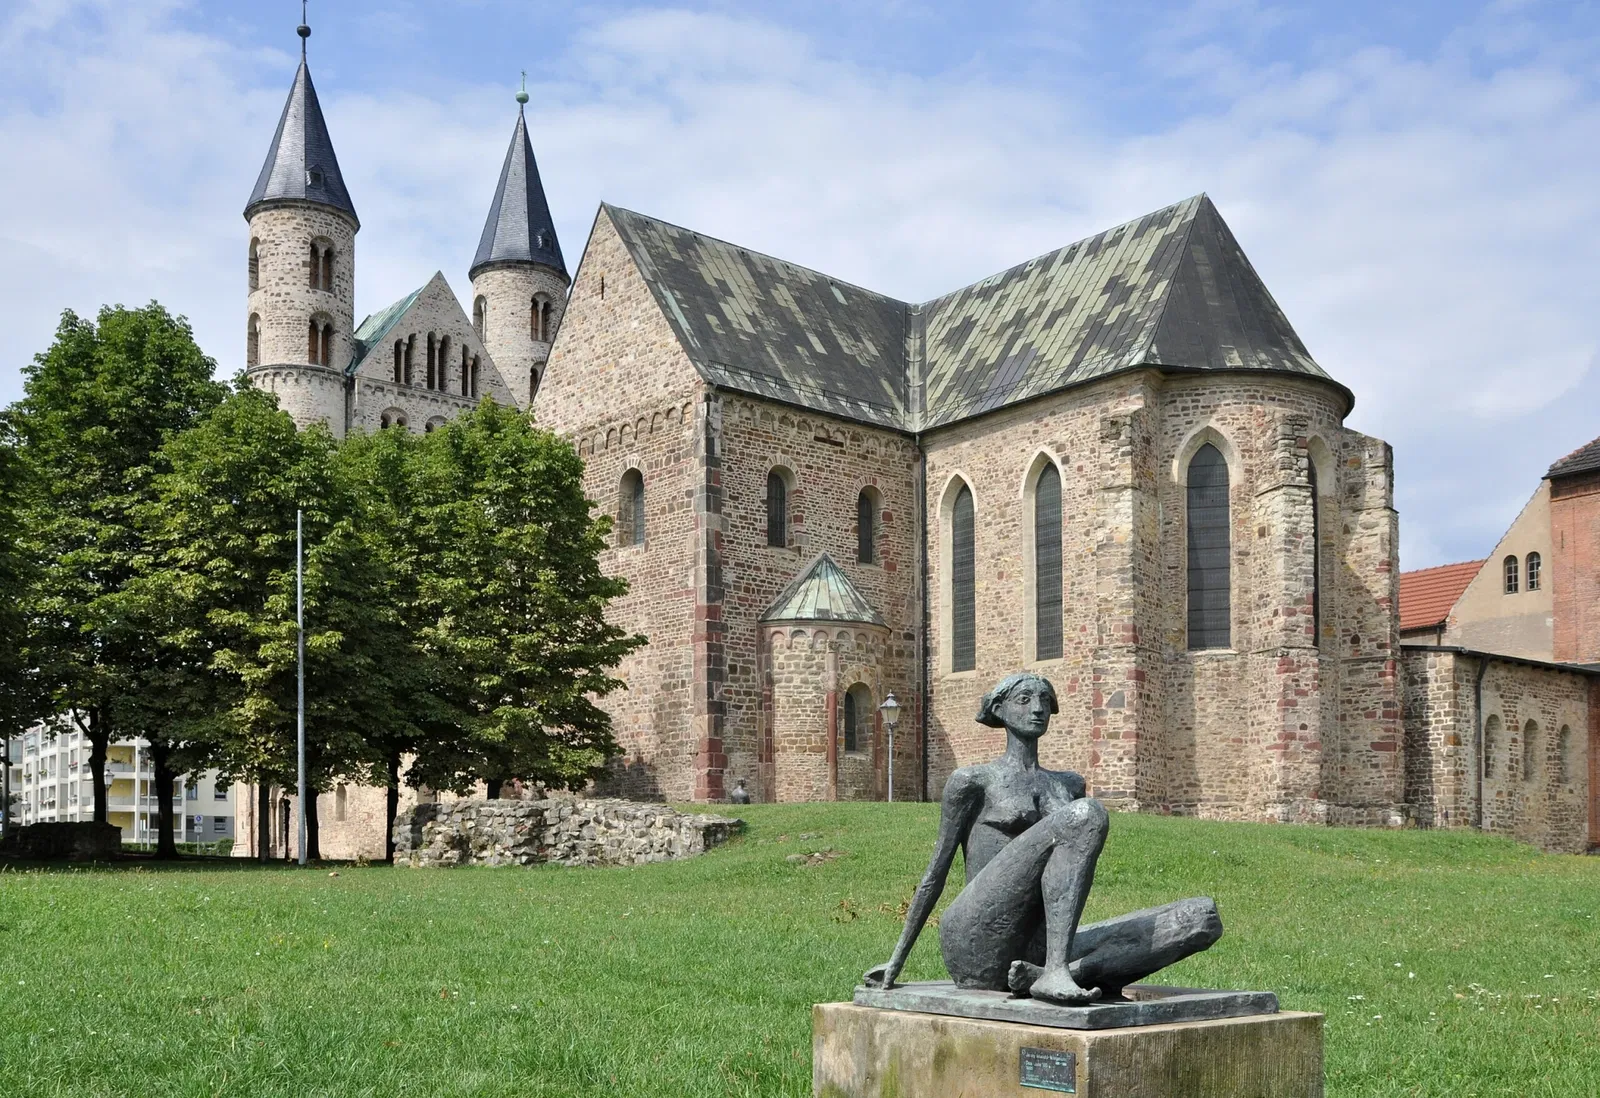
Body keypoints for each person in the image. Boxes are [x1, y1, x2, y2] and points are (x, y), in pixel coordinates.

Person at [862, 672, 1220, 1005]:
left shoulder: (1069, 785)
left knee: (1200, 919)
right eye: (1024, 699)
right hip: (974, 942)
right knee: (1087, 814)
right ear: (998, 710)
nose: (1037, 709)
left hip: (1034, 947)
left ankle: (1055, 971)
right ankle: (1055, 972)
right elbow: (935, 872)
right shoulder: (973, 781)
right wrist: (896, 962)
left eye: (1045, 701)